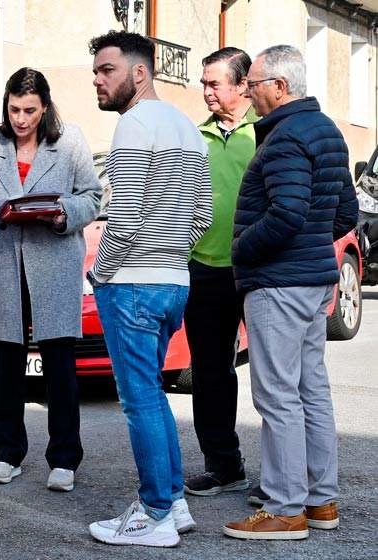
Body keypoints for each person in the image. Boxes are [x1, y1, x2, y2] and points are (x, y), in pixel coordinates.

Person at [222, 45, 357, 541]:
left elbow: (286, 214)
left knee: (278, 396)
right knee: (311, 392)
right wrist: (310, 250)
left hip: (278, 282)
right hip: (313, 277)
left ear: (279, 87)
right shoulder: (326, 131)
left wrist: (241, 249)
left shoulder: (282, 139)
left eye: (253, 84)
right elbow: (344, 215)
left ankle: (285, 509)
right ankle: (321, 502)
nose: (248, 93)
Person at [85, 31, 212, 547]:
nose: (97, 79)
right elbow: (202, 216)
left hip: (134, 284)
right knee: (152, 396)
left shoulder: (135, 124)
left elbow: (127, 215)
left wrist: (102, 271)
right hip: (173, 282)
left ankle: (156, 513)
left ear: (139, 73)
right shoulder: (187, 126)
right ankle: (174, 501)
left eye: (107, 70)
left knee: (139, 400)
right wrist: (172, 257)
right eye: (95, 70)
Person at [0, 67, 100, 491]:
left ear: (45, 107)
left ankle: (64, 460)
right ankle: (6, 454)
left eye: (30, 110)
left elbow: (92, 198)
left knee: (59, 365)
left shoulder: (70, 140)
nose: (21, 119)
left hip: (53, 262)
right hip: (4, 263)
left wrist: (62, 214)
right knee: (6, 365)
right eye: (15, 109)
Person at [183, 47, 258, 498]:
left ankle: (286, 479)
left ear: (243, 85)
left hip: (257, 270)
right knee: (210, 373)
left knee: (274, 378)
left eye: (215, 83)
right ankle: (223, 465)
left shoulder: (264, 134)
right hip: (205, 270)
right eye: (204, 83)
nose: (206, 91)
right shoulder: (197, 137)